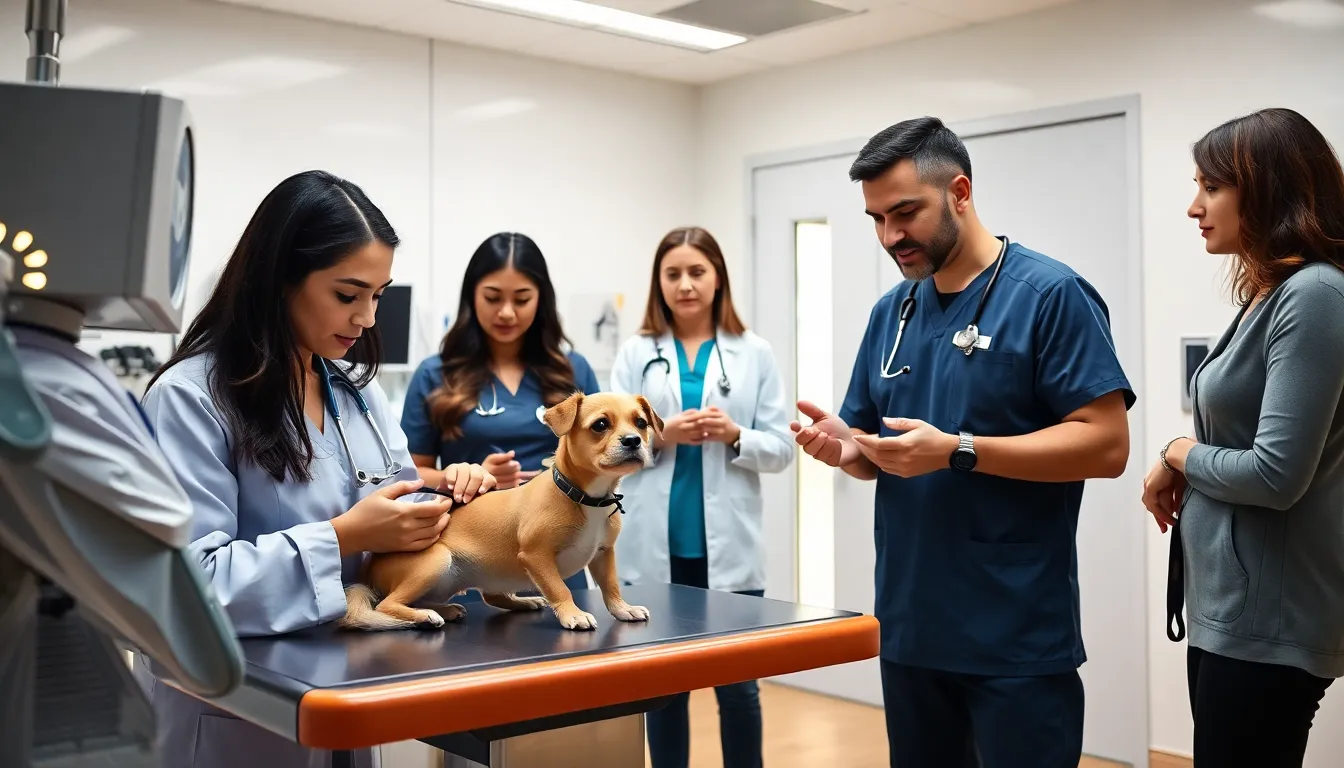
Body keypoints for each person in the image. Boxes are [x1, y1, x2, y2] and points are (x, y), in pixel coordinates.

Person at [790, 117, 1135, 767]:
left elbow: (1106, 445)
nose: (891, 237)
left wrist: (960, 449)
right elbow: (876, 452)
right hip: (912, 631)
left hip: (1015, 637)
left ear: (960, 192)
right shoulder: (893, 311)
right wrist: (848, 450)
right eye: (875, 220)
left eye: (905, 213)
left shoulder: (1049, 295)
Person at [132, 170, 496, 768]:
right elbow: (186, 588)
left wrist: (448, 506)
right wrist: (344, 536)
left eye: (378, 296)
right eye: (348, 295)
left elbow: (397, 517)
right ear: (278, 280)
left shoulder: (356, 393)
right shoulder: (190, 398)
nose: (368, 319)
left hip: (343, 700)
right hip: (238, 719)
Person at [1143, 108, 1344, 768]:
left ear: (1267, 190)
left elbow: (1275, 476)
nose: (1193, 206)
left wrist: (1178, 454)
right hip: (1231, 611)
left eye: (1211, 186)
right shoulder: (1272, 291)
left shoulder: (1316, 294)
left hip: (1269, 625)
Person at [608, 226, 793, 768]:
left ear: (718, 279)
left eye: (697, 272)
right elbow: (606, 448)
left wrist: (736, 434)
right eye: (673, 274)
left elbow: (781, 449)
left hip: (730, 553)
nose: (685, 285)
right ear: (658, 283)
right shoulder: (636, 352)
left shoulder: (753, 352)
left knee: (738, 688)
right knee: (663, 691)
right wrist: (661, 436)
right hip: (654, 551)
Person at [400, 232, 600, 599]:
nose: (506, 312)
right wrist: (460, 477)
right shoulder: (436, 375)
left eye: (522, 299)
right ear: (472, 296)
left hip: (559, 552)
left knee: (570, 649)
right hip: (472, 558)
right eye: (493, 298)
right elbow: (409, 476)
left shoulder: (573, 372)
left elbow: (598, 456)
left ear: (541, 300)